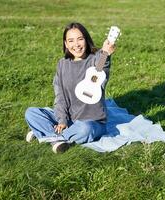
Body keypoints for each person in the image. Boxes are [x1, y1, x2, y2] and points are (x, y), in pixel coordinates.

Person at [25, 22, 116, 153]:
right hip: (69, 119)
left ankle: (47, 135)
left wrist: (105, 53)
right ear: (66, 44)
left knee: (85, 129)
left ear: (86, 40)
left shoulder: (95, 61)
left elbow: (101, 66)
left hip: (91, 122)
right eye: (71, 41)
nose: (76, 45)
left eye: (80, 39)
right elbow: (60, 96)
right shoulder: (62, 64)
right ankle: (58, 138)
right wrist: (62, 120)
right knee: (31, 112)